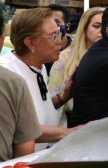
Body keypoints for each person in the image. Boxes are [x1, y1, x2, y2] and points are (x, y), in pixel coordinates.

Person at [0, 8, 80, 151]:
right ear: (30, 43)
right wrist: (69, 132)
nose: (60, 42)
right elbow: (22, 129)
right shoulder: (8, 74)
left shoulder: (39, 66)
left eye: (59, 33)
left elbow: (37, 109)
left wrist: (63, 96)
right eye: (53, 36)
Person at [48, 7, 104, 123]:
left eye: (106, 26)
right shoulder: (65, 57)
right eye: (96, 26)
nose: (102, 31)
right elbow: (52, 99)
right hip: (70, 123)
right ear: (84, 27)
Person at [0, 12, 41, 161]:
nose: (59, 41)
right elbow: (25, 151)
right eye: (53, 35)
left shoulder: (38, 71)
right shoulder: (13, 82)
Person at [45, 4, 72, 75]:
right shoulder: (40, 50)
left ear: (67, 26)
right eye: (48, 22)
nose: (52, 26)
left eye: (57, 22)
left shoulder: (75, 50)